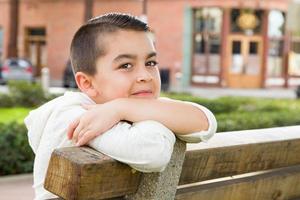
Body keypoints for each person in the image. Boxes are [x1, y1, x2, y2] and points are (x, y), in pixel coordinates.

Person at [24, 13, 217, 200]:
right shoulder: (73, 116)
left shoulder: (124, 108)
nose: (146, 75)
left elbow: (205, 121)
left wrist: (121, 107)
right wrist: (136, 110)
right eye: (126, 65)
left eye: (150, 62)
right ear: (87, 83)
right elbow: (152, 152)